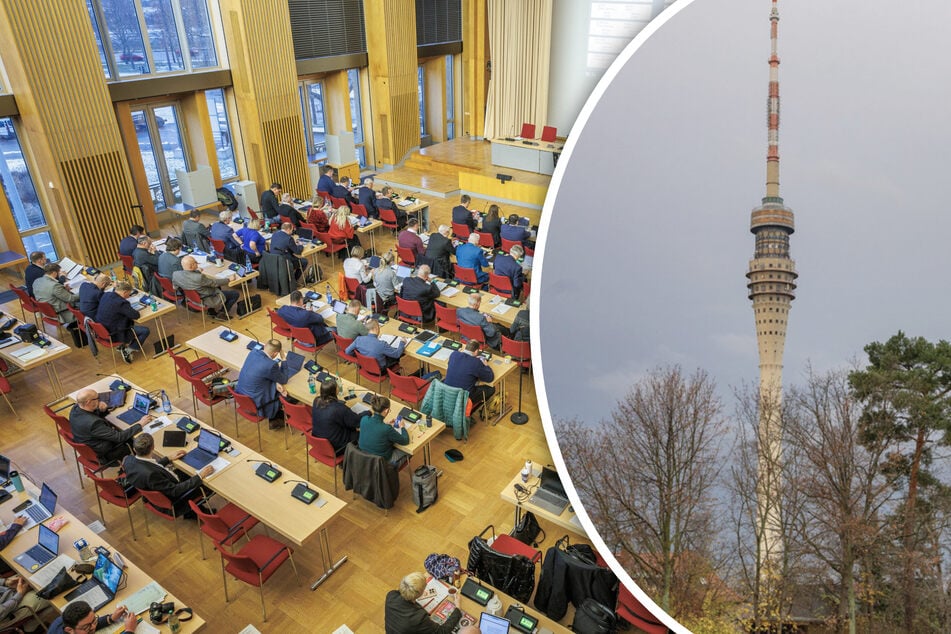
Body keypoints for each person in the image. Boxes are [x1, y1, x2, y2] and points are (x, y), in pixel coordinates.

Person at [121, 434, 214, 517]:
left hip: (161, 487)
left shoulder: (128, 460)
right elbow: (175, 491)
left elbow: (148, 466)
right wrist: (200, 476)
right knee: (208, 483)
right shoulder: (151, 475)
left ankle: (191, 511)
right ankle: (195, 511)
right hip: (175, 499)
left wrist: (168, 458)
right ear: (153, 447)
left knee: (185, 471)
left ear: (134, 450)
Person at [236, 339, 299, 427]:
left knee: (278, 388)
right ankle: (276, 419)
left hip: (242, 396)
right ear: (276, 353)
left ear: (265, 346)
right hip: (257, 404)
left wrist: (275, 382)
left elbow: (260, 374)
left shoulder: (253, 352)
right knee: (291, 395)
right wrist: (284, 359)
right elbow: (284, 379)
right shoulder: (271, 365)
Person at [70, 388, 142, 465]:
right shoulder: (94, 423)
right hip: (105, 454)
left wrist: (101, 411)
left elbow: (89, 416)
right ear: (88, 402)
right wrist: (140, 424)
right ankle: (136, 466)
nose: (99, 400)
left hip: (90, 444)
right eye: (97, 398)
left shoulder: (75, 408)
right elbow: (119, 437)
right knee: (135, 440)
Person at [384, 571, 461, 634]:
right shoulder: (418, 618)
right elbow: (442, 631)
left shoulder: (391, 595)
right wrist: (457, 608)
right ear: (420, 593)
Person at [96, 281, 150, 361]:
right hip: (115, 333)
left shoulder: (106, 295)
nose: (128, 297)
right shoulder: (121, 303)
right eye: (129, 294)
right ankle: (128, 350)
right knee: (145, 331)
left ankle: (123, 346)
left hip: (102, 330)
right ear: (125, 292)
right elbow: (136, 315)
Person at [172, 255, 239, 318]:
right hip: (205, 299)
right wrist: (229, 279)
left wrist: (196, 271)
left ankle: (211, 311)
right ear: (191, 266)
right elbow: (214, 283)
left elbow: (175, 287)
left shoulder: (176, 274)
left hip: (191, 298)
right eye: (195, 262)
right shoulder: (199, 277)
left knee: (216, 287)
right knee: (234, 294)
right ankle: (222, 313)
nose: (197, 263)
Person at [311, 379, 361, 455]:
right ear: (334, 391)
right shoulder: (339, 408)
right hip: (336, 447)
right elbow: (357, 422)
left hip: (318, 442)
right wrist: (368, 412)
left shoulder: (316, 401)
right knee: (362, 433)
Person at [358, 395, 410, 467]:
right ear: (386, 410)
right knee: (408, 451)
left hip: (364, 459)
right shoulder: (387, 429)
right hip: (382, 464)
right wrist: (402, 427)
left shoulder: (364, 419)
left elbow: (374, 427)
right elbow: (405, 441)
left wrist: (384, 424)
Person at [444, 339, 495, 410]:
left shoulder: (454, 354)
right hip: (463, 396)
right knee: (491, 389)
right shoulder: (476, 363)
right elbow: (490, 378)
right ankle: (469, 410)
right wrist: (486, 365)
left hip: (447, 391)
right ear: (477, 351)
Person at [48, 600, 136, 634]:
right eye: (86, 627)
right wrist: (129, 630)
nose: (93, 626)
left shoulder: (66, 618)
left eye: (94, 620)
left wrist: (111, 618)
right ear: (69, 630)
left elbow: (90, 624)